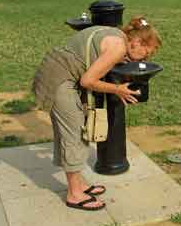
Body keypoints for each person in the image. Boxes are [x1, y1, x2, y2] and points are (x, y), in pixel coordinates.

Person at [32, 16, 161, 211]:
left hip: (57, 70)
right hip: (58, 79)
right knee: (74, 133)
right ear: (136, 42)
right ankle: (74, 194)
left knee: (73, 131)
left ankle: (79, 184)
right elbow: (87, 81)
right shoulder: (118, 48)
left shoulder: (117, 35)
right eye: (146, 53)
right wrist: (119, 90)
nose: (146, 59)